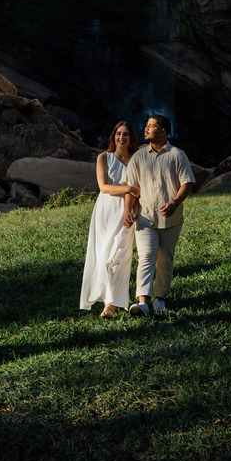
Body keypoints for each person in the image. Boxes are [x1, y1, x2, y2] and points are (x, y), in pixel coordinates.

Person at [122, 114, 196, 316]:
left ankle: (159, 299)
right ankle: (142, 302)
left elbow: (186, 183)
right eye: (146, 125)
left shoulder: (177, 155)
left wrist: (175, 203)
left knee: (165, 261)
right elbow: (131, 188)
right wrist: (128, 212)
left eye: (151, 126)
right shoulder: (138, 156)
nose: (146, 129)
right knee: (145, 257)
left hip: (170, 220)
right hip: (145, 217)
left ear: (163, 131)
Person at [79, 121, 140, 317]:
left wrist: (133, 211)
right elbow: (104, 187)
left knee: (118, 257)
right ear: (113, 136)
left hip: (126, 211)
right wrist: (129, 188)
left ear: (131, 138)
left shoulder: (136, 160)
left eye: (126, 134)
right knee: (103, 256)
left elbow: (140, 191)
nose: (122, 137)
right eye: (118, 134)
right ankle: (109, 300)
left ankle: (110, 305)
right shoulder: (104, 158)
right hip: (105, 211)